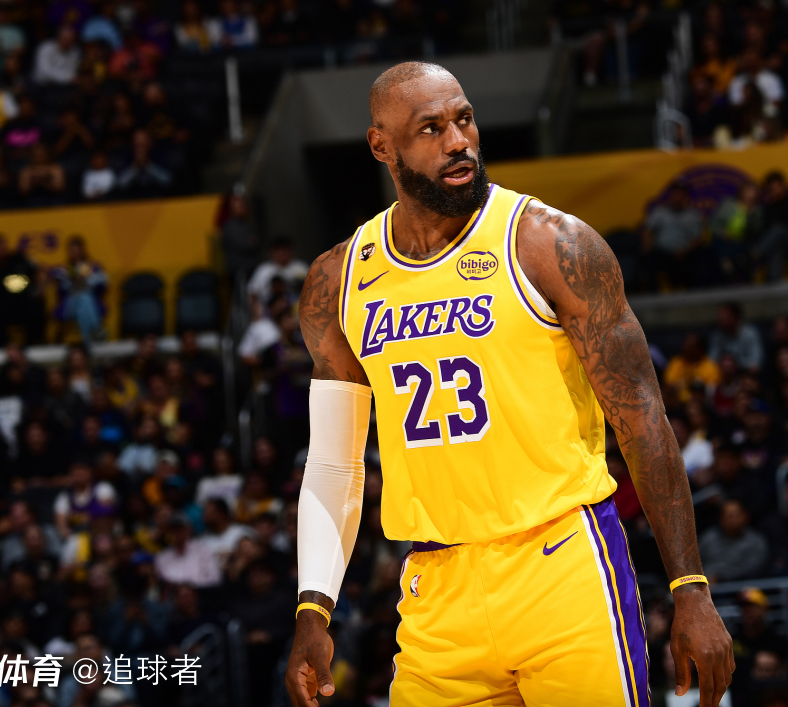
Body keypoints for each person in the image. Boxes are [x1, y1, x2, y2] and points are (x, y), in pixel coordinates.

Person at [286, 61, 733, 706]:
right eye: (431, 129)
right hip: (437, 585)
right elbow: (334, 463)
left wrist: (690, 587)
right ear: (382, 146)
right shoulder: (338, 281)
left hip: (563, 563)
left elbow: (643, 421)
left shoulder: (550, 245)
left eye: (465, 120)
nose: (458, 142)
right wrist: (313, 607)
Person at [0, 233, 46, 346]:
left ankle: (36, 343)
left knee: (37, 308)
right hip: (5, 310)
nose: (1, 249)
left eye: (2, 245)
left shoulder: (19, 259)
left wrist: (40, 289)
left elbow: (40, 272)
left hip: (26, 303)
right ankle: (4, 346)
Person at [642, 181, 706, 290]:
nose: (678, 197)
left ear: (686, 197)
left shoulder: (693, 215)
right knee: (649, 257)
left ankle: (696, 294)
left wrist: (684, 251)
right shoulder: (660, 212)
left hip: (686, 254)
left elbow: (696, 238)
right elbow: (647, 231)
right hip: (663, 253)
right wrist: (648, 244)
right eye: (676, 194)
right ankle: (653, 295)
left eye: (681, 194)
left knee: (702, 255)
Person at [49, 236, 107, 347]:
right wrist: (67, 275)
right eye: (71, 251)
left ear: (82, 251)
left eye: (77, 251)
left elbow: (103, 286)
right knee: (84, 299)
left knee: (83, 303)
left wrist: (87, 277)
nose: (74, 254)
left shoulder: (94, 268)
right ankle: (96, 331)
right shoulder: (63, 269)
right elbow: (50, 276)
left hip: (90, 304)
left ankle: (89, 345)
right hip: (69, 306)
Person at [246, 236, 309, 309]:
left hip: (299, 310)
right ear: (271, 252)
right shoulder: (263, 270)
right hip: (269, 311)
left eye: (285, 249)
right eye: (278, 250)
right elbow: (252, 294)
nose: (282, 253)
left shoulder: (302, 268)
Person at [709, 302, 764, 372]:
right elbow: (712, 360)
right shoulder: (717, 335)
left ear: (736, 317)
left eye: (725, 316)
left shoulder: (750, 333)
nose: (721, 319)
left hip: (745, 372)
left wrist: (735, 365)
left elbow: (756, 361)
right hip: (723, 374)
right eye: (720, 316)